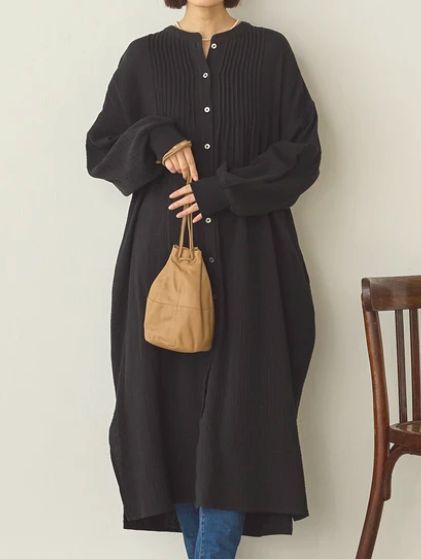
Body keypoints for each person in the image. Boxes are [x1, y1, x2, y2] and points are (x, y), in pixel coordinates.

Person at [85, 1, 322, 557]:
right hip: (163, 263)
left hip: (253, 262)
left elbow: (303, 153)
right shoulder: (144, 56)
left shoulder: (270, 52)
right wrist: (156, 136)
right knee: (171, 421)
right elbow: (101, 150)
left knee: (242, 420)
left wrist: (224, 190)